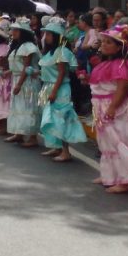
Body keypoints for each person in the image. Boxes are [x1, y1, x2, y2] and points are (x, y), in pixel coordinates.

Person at [86, 25, 128, 193]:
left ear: (119, 46)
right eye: (104, 42)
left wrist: (113, 107)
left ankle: (124, 181)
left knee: (120, 140)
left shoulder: (123, 64)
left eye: (109, 42)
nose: (104, 45)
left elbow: (122, 88)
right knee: (106, 143)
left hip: (117, 108)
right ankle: (109, 175)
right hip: (102, 107)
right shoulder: (106, 63)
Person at [38, 17, 86, 162]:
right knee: (50, 119)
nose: (46, 37)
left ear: (57, 36)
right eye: (46, 34)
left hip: (59, 89)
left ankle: (66, 151)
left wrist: (54, 91)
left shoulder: (62, 52)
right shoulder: (50, 53)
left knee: (61, 119)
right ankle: (56, 147)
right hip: (48, 86)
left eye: (50, 34)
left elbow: (61, 74)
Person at [6, 18, 41, 147]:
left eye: (16, 30)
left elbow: (26, 67)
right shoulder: (17, 46)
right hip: (18, 78)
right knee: (18, 107)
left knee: (29, 107)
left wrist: (19, 84)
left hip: (27, 82)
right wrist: (7, 73)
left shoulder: (29, 47)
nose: (13, 32)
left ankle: (32, 137)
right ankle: (19, 133)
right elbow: (17, 66)